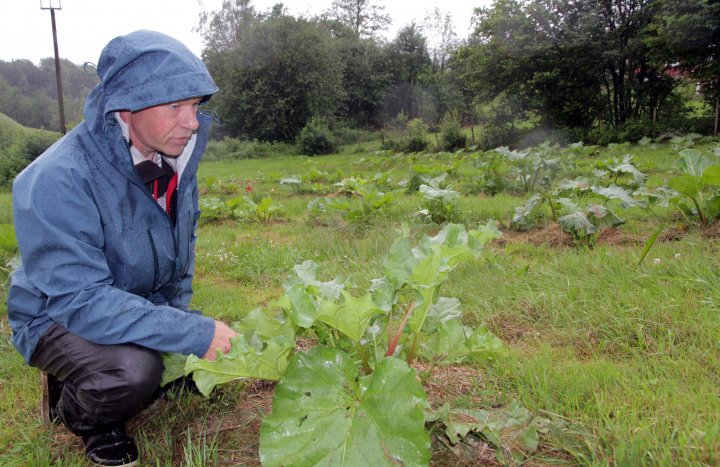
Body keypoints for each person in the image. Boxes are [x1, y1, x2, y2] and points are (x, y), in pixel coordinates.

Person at [6, 30, 236, 466]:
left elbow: (178, 251)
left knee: (192, 356)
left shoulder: (174, 160)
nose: (192, 122)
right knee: (134, 374)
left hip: (127, 301)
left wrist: (180, 321)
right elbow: (79, 299)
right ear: (126, 109)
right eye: (175, 106)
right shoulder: (59, 176)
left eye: (195, 106)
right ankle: (80, 412)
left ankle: (130, 360)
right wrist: (190, 333)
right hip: (56, 314)